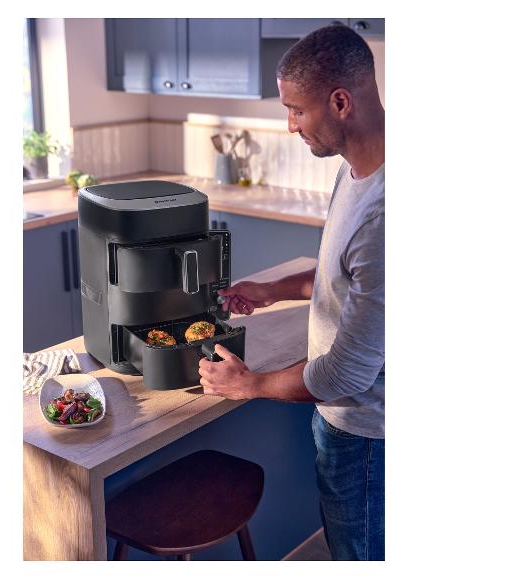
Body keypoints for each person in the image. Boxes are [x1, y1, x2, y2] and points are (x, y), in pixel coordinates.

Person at [197, 25, 385, 561]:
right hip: (353, 426)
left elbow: (346, 375)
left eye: (297, 110)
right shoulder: (358, 171)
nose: (290, 125)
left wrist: (249, 384)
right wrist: (273, 290)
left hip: (367, 432)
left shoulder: (385, 212)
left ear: (340, 102)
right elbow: (342, 279)